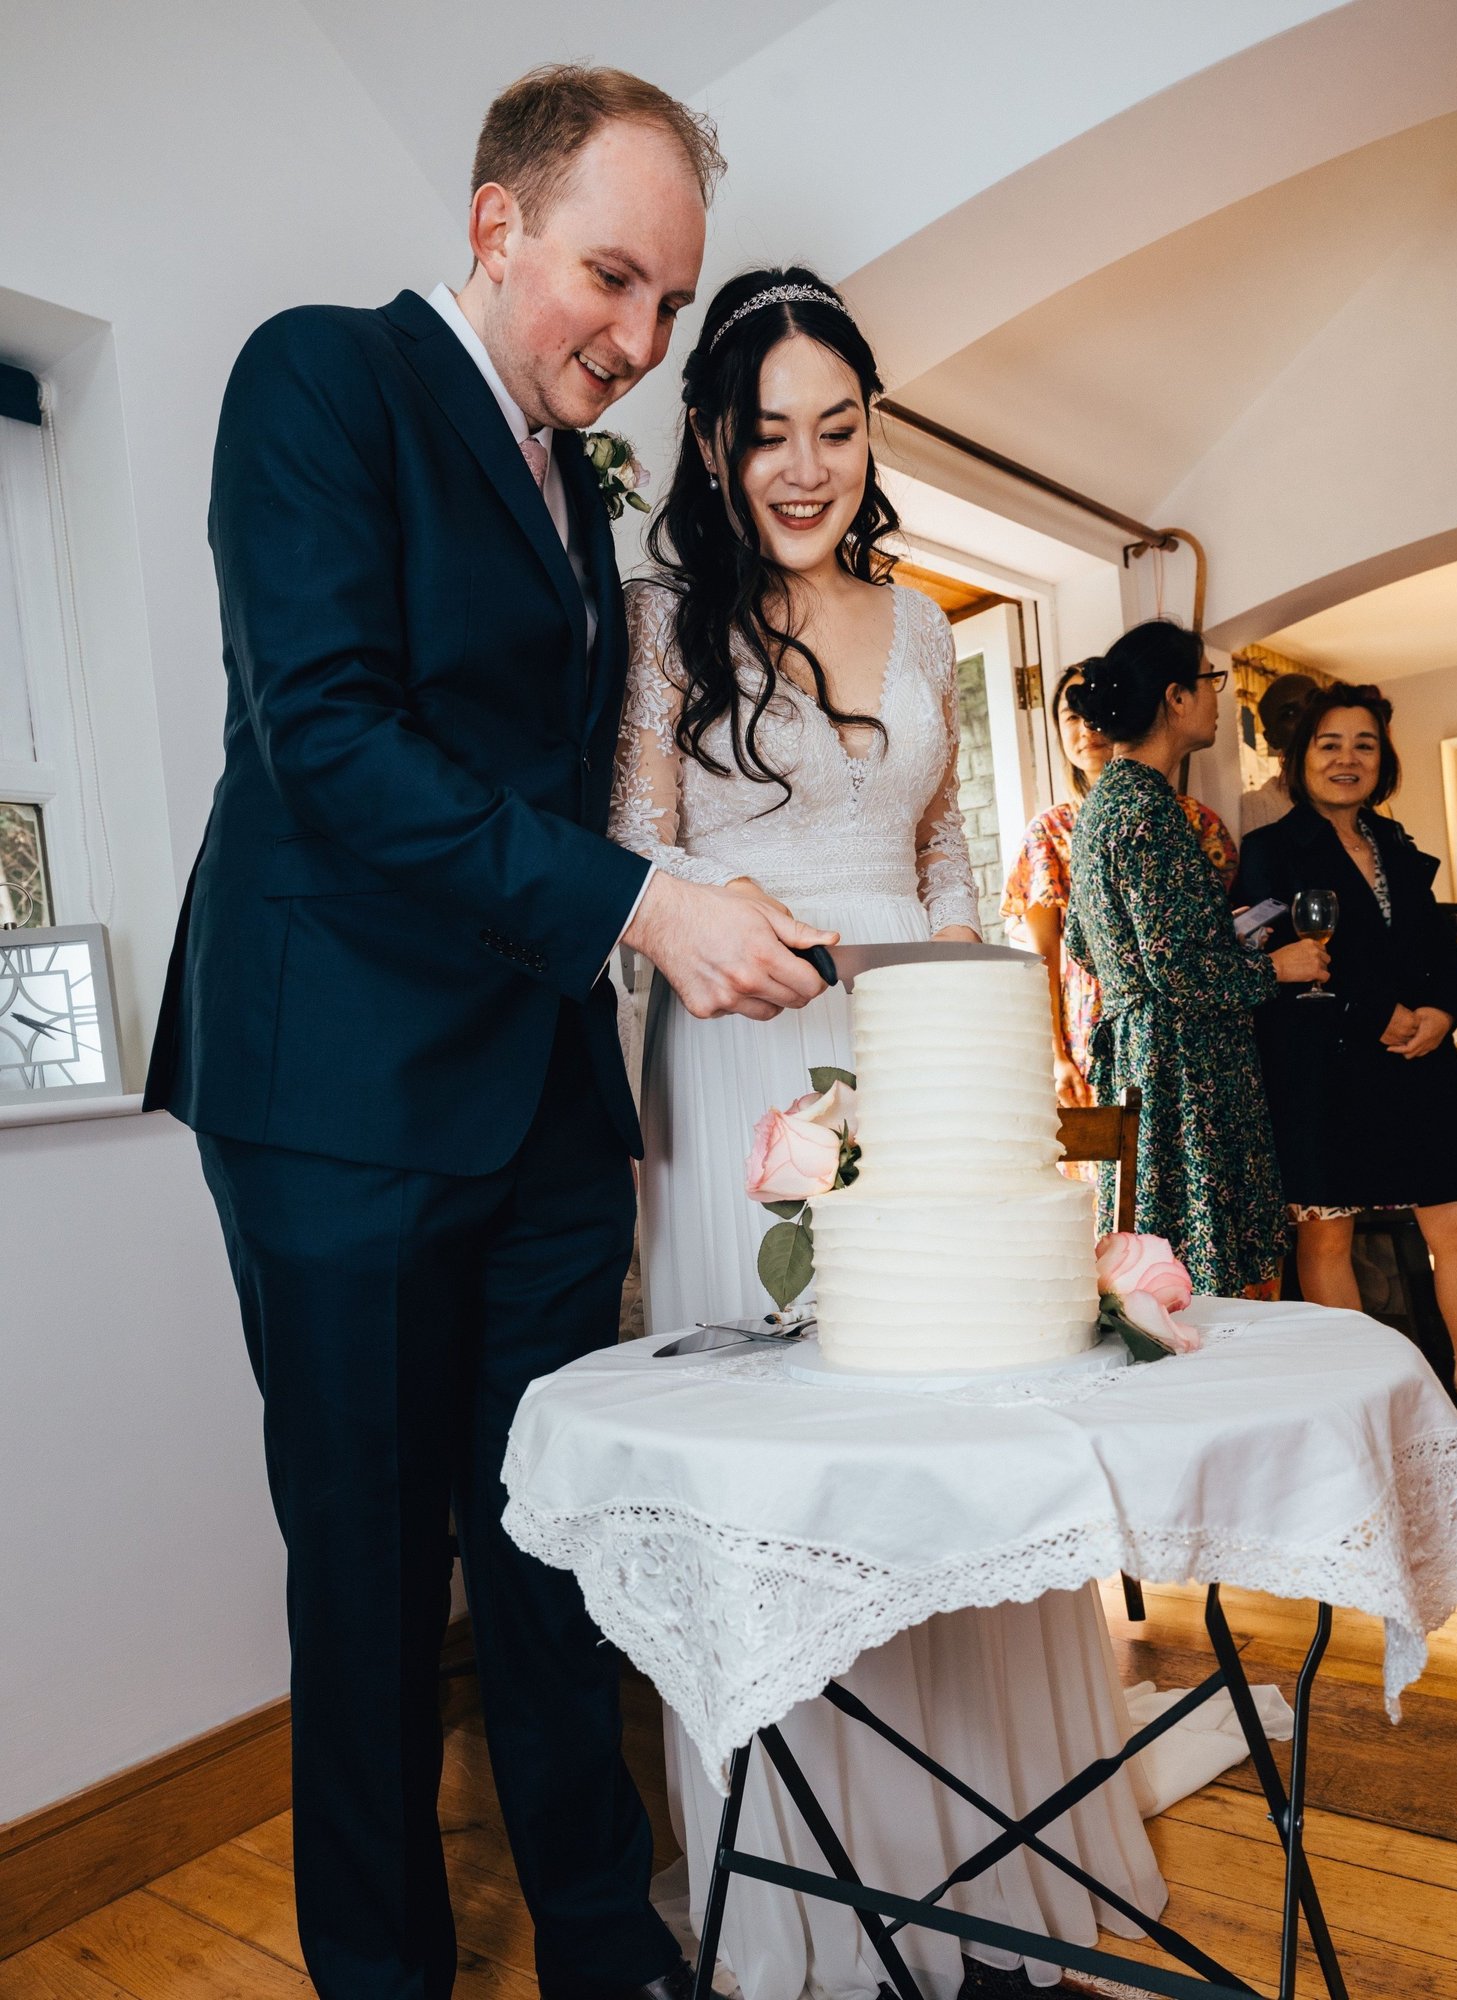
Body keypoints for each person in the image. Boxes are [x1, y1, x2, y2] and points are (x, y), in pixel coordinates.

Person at [144, 67, 839, 2000]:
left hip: (538, 1104)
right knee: (371, 1588)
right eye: (610, 282)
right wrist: (647, 913)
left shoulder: (579, 488)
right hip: (337, 1098)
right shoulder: (318, 379)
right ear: (492, 225)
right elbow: (335, 742)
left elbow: (567, 785)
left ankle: (604, 1951)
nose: (635, 342)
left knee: (562, 1555)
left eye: (668, 308)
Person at [610, 267, 1167, 2000]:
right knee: (805, 1466)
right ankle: (822, 1918)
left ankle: (997, 1860)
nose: (803, 464)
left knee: (954, 1432)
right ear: (712, 439)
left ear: (871, 437)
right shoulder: (657, 620)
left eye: (836, 428)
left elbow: (943, 856)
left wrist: (962, 986)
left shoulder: (920, 622)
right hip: (740, 1052)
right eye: (767, 430)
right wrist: (765, 920)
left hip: (916, 1051)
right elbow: (632, 849)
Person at [1235, 683, 1457, 1440]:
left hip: (1421, 1061)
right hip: (1326, 1072)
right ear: (1300, 758)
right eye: (1330, 744)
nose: (1347, 759)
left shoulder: (1402, 849)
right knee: (1327, 1235)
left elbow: (1442, 954)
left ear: (1383, 761)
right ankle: (1364, 1411)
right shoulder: (1269, 853)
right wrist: (1373, 1011)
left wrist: (1444, 1011)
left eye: (1365, 745)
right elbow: (1281, 965)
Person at [1062, 623, 1330, 1296]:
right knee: (1198, 1271)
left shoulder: (1103, 804)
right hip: (1182, 1066)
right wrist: (1279, 967)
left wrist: (1217, 934)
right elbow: (1175, 971)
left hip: (1138, 1055)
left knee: (1158, 1262)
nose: (1219, 699)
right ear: (1176, 698)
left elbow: (1086, 944)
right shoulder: (1149, 808)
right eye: (1211, 682)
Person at [1003, 662, 1238, 1108]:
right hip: (1090, 1027)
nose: (1086, 727)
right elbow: (1042, 955)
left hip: (1188, 1022)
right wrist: (1055, 1056)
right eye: (1071, 716)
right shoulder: (1049, 833)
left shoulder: (1196, 822)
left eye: (1093, 710)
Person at [1239, 671, 1318, 835]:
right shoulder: (1261, 805)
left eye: (1315, 703)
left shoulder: (1352, 786)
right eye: (1289, 714)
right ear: (1272, 739)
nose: (1309, 717)